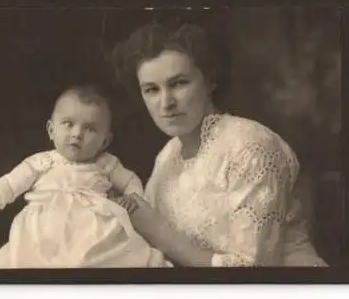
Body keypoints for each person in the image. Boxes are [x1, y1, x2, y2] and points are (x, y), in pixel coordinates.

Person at [110, 21, 328, 267]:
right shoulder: (167, 157)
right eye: (151, 89)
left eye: (179, 83)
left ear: (210, 81)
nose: (166, 102)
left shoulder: (250, 146)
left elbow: (253, 273)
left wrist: (161, 234)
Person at [0, 83, 171, 268]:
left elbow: (131, 180)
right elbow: (10, 182)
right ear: (51, 129)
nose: (77, 134)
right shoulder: (40, 162)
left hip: (94, 227)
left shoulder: (106, 164)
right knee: (20, 260)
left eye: (90, 128)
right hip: (45, 227)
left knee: (106, 258)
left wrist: (132, 198)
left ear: (105, 141)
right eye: (68, 124)